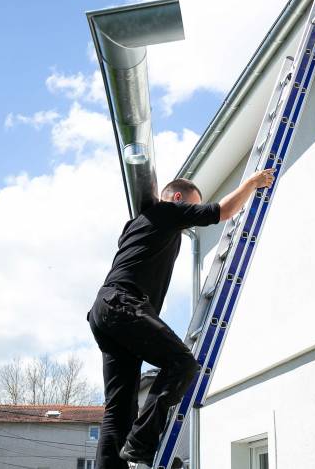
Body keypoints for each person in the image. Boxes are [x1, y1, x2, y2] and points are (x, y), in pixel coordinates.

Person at [87, 169, 276, 469]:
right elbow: (224, 211)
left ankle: (123, 454)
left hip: (105, 312)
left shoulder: (141, 224)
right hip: (124, 304)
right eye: (191, 206)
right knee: (182, 363)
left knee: (119, 409)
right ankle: (142, 443)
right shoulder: (168, 212)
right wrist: (253, 183)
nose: (190, 216)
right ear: (177, 199)